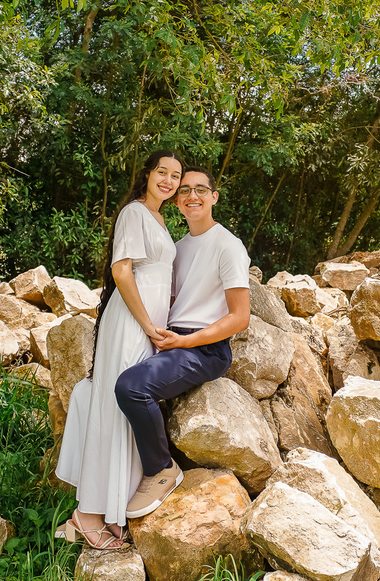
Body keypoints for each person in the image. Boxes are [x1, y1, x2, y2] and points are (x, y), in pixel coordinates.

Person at [54, 150, 183, 550]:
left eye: (175, 175)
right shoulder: (134, 212)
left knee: (131, 412)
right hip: (131, 323)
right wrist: (146, 324)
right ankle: (88, 514)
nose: (168, 180)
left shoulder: (160, 219)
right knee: (114, 409)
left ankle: (113, 510)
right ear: (147, 174)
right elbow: (121, 270)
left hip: (148, 325)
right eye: (162, 172)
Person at [115, 166, 251, 517]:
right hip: (171, 337)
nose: (192, 195)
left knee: (132, 387)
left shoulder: (229, 246)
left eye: (201, 189)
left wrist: (186, 343)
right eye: (185, 190)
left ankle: (161, 470)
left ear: (214, 197)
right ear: (176, 202)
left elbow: (240, 317)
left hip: (205, 347)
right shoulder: (176, 249)